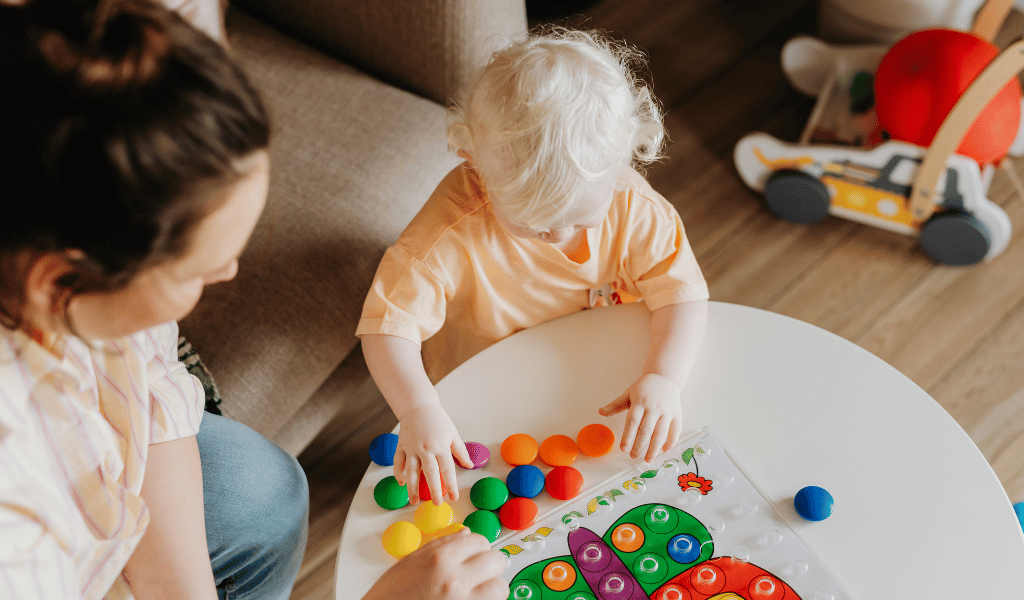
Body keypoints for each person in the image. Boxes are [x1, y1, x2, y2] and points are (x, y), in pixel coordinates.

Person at [0, 1, 507, 599]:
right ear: (56, 281)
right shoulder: (18, 505)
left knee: (263, 494)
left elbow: (146, 386)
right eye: (196, 269)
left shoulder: (67, 245)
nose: (229, 271)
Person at [358, 28, 710, 506]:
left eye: (583, 219)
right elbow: (385, 329)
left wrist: (664, 375)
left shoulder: (633, 206)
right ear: (476, 167)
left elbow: (682, 294)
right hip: (486, 375)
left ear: (622, 163)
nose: (563, 237)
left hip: (601, 366)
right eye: (536, 227)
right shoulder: (449, 233)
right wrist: (419, 410)